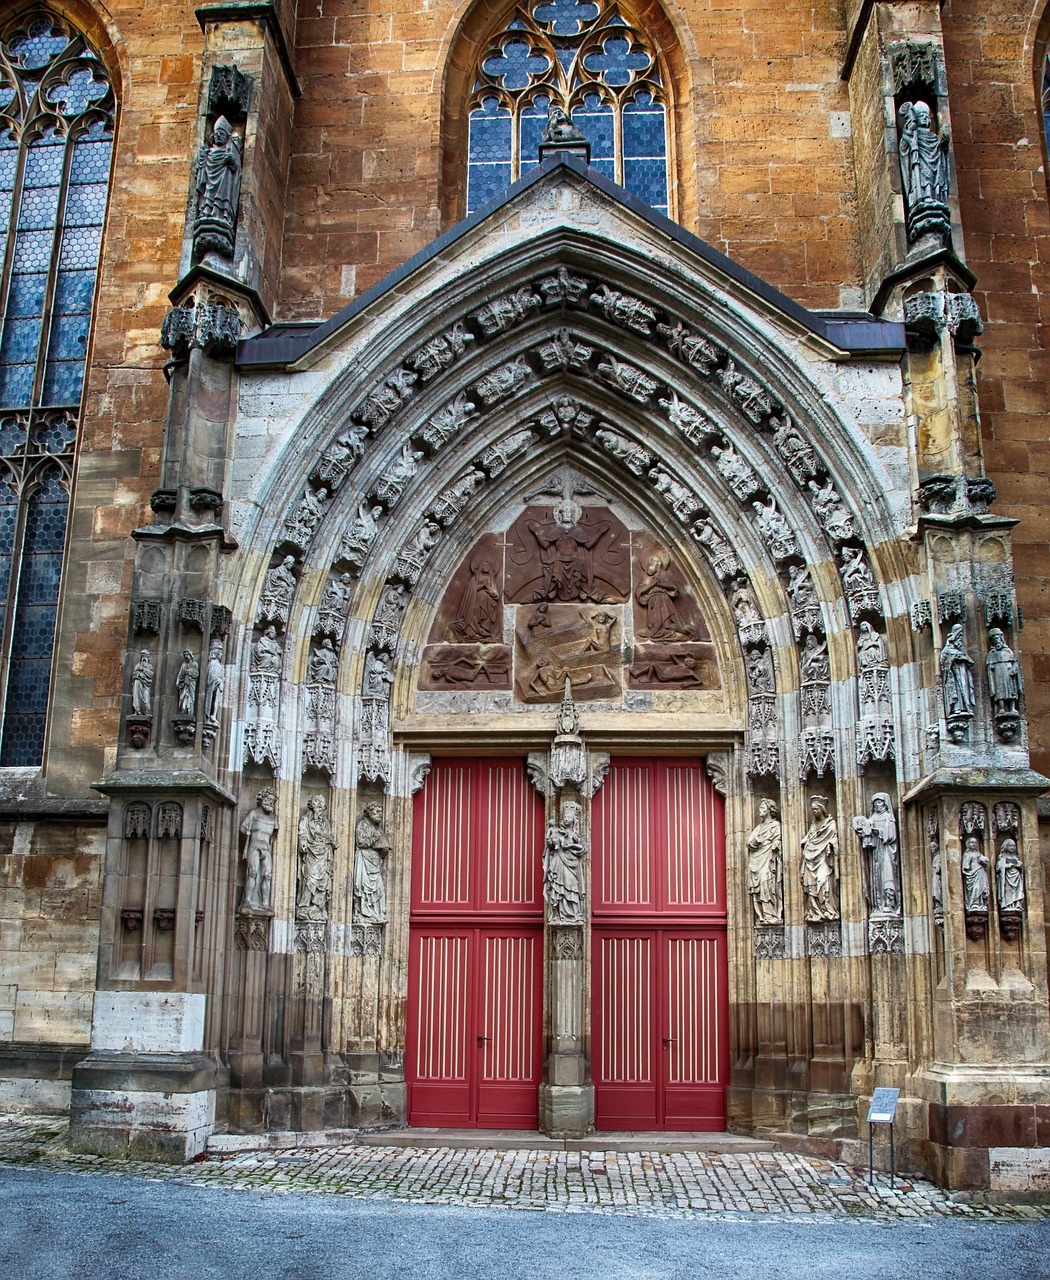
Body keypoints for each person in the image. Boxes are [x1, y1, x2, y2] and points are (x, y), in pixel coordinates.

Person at [852, 794, 900, 915]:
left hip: (886, 851)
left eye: (879, 802)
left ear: (885, 803)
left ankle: (890, 903)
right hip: (875, 853)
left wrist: (876, 830)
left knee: (887, 875)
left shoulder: (888, 817)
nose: (877, 805)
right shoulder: (872, 818)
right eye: (875, 803)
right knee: (876, 878)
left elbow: (891, 836)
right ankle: (878, 904)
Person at [296, 795, 336, 921]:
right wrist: (302, 840)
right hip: (312, 853)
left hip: (324, 854)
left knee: (323, 881)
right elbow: (302, 832)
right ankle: (303, 906)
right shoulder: (306, 819)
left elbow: (328, 835)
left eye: (321, 805)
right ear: (312, 806)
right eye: (317, 804)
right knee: (310, 879)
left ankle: (318, 906)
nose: (319, 807)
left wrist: (332, 842)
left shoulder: (325, 822)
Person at [800, 795, 839, 922]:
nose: (814, 811)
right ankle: (814, 912)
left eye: (816, 809)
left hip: (823, 858)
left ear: (822, 809)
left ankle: (828, 910)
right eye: (812, 809)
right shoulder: (813, 825)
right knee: (811, 886)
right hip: (810, 858)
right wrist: (805, 841)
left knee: (823, 882)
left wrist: (831, 845)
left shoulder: (831, 824)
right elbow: (809, 838)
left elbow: (834, 838)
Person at [239, 788, 278, 914]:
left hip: (266, 847)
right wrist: (247, 831)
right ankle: (248, 901)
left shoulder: (273, 818)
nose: (271, 803)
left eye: (273, 801)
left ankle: (265, 903)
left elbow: (274, 835)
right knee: (253, 872)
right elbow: (243, 828)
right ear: (262, 799)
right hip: (254, 845)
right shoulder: (254, 814)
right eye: (269, 799)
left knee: (268, 874)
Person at [747, 799, 783, 925]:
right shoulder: (759, 828)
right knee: (758, 888)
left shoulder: (776, 826)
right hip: (757, 860)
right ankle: (762, 915)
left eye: (762, 808)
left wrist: (775, 844)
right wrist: (754, 842)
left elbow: (778, 840)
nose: (759, 810)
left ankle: (771, 914)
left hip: (768, 859)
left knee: (767, 884)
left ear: (769, 810)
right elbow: (749, 842)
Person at [353, 801, 390, 924]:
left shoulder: (378, 828)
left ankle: (376, 912)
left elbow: (380, 849)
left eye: (381, 812)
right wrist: (376, 838)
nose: (380, 815)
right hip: (365, 859)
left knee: (378, 887)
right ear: (369, 813)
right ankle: (365, 914)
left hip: (375, 862)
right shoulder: (363, 825)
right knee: (364, 887)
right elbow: (361, 842)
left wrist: (383, 850)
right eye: (377, 812)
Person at [175, 649, 199, 717]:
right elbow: (180, 674)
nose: (186, 656)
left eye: (187, 654)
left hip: (190, 683)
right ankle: (183, 710)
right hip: (184, 684)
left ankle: (189, 711)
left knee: (190, 697)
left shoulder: (194, 664)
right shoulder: (183, 664)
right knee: (182, 697)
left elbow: (196, 674)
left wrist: (189, 672)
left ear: (191, 655)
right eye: (184, 655)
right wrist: (178, 682)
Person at [131, 648, 154, 717]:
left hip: (146, 685)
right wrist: (138, 674)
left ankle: (147, 712)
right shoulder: (138, 665)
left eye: (145, 655)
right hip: (138, 684)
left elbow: (151, 674)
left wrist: (143, 669)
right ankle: (137, 711)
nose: (144, 657)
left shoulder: (149, 666)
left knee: (146, 699)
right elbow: (134, 674)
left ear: (148, 657)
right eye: (142, 655)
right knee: (136, 697)